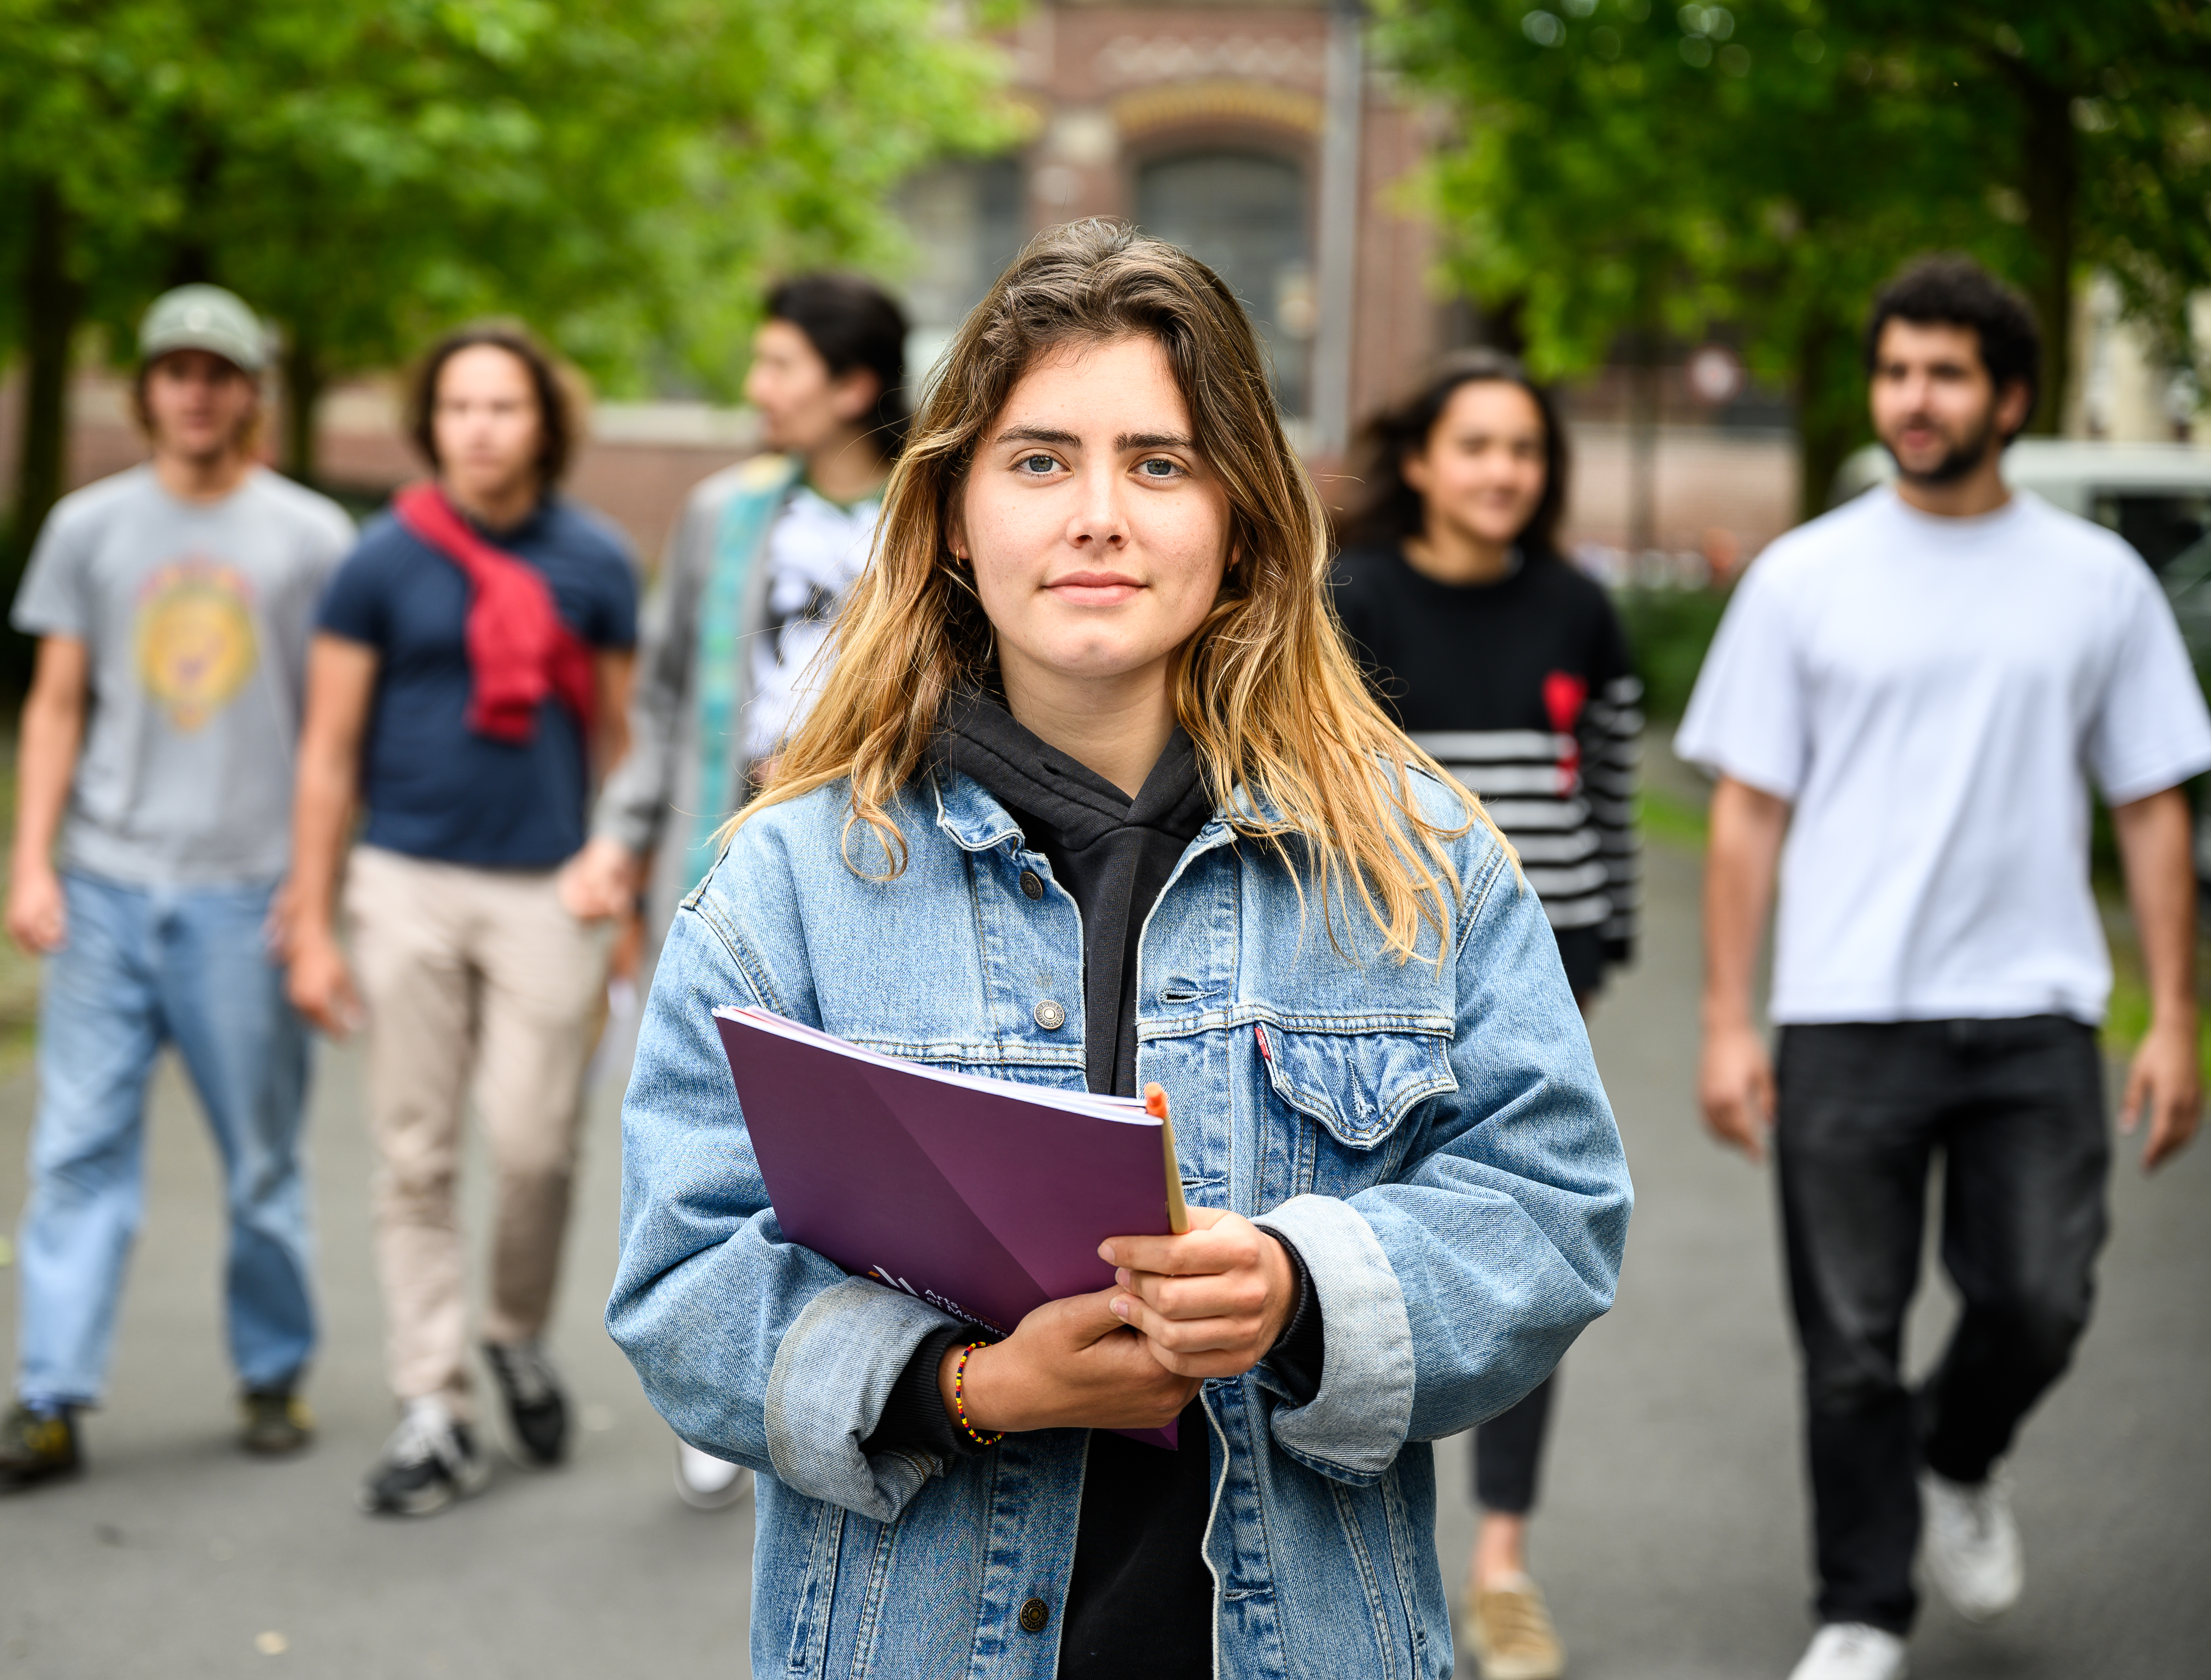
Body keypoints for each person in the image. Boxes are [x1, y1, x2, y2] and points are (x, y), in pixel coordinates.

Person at [605, 219, 1632, 1679]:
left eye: (1158, 463)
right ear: (955, 515)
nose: (1099, 514)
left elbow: (1553, 1207)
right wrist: (964, 1389)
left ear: (1241, 515)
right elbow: (680, 1277)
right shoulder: (787, 880)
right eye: (1039, 462)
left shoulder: (1417, 860)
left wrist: (1299, 1286)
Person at [1680, 256, 2210, 1680]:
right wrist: (1729, 1018)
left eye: (1947, 374)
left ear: (2010, 396)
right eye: (1896, 370)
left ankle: (1959, 1459)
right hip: (1847, 1016)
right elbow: (1748, 811)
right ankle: (1863, 1607)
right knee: (1848, 1340)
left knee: (2042, 1298)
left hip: (2039, 1013)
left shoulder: (2097, 583)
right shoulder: (1805, 576)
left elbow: (2153, 801)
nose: (1914, 399)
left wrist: (2177, 1020)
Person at [0, 283, 356, 1487]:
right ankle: (49, 1396)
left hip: (245, 897)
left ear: (249, 395)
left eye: (219, 373)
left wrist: (312, 895)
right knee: (77, 1150)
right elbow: (56, 704)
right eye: (175, 372)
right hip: (105, 890)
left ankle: (273, 1369)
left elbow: (329, 740)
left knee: (259, 1162)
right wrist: (33, 862)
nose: (196, 392)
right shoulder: (88, 527)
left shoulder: (309, 538)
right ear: (147, 389)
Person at [281, 322, 640, 1516]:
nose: (479, 428)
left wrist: (624, 878)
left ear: (545, 423)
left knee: (537, 1145)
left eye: (504, 407)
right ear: (430, 424)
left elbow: (623, 745)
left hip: (547, 888)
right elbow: (328, 752)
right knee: (415, 1155)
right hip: (404, 885)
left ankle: (515, 1333)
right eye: (458, 408)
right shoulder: (380, 560)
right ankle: (432, 1403)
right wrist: (313, 917)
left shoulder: (594, 561)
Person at [567, 272, 911, 1510]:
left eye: (779, 366)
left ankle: (857, 1369)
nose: (757, 389)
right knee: (712, 1122)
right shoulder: (724, 516)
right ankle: (729, 1374)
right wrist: (622, 835)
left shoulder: (932, 517)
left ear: (853, 387)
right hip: (724, 861)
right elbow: (659, 702)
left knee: (852, 1129)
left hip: (879, 866)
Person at [1327, 348, 1641, 1680]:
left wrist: (1615, 921)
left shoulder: (1580, 606)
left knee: (1520, 1251)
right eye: (1477, 448)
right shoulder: (1354, 600)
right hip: (1383, 979)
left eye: (1524, 451)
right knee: (1378, 1261)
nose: (1503, 473)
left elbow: (1609, 773)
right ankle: (1355, 1558)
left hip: (1549, 975)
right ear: (1419, 464)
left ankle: (1501, 1564)